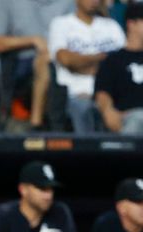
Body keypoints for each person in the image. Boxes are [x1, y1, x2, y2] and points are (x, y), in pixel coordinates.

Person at [0, 0, 73, 130]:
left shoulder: (70, 3)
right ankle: (38, 124)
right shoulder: (7, 2)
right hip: (21, 63)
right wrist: (32, 40)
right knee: (45, 62)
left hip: (66, 60)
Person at [48, 0, 125, 133]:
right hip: (76, 94)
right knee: (83, 110)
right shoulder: (61, 23)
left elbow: (123, 61)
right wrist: (100, 58)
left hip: (111, 96)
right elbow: (65, 59)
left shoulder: (111, 26)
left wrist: (81, 62)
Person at [94, 3, 143, 134]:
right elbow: (102, 93)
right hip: (128, 118)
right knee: (138, 119)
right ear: (131, 24)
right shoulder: (114, 60)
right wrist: (107, 111)